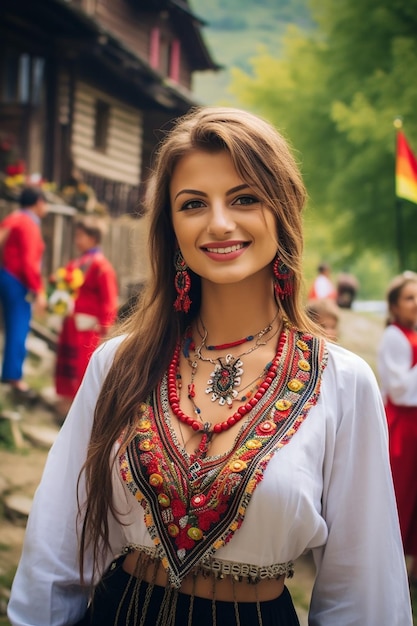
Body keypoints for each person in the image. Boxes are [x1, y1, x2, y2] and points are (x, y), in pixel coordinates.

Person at [7, 107, 412, 626]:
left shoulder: (342, 381)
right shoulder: (118, 364)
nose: (219, 222)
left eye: (244, 198)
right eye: (193, 203)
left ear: (283, 209)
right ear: (171, 227)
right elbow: (55, 548)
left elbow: (364, 590)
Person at [52, 214, 119, 417]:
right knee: (67, 365)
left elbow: (109, 299)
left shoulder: (101, 267)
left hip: (87, 328)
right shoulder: (77, 263)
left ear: (93, 238)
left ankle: (81, 412)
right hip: (71, 324)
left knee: (82, 366)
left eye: (80, 235)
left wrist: (106, 326)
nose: (77, 239)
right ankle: (65, 406)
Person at [377, 271, 417, 584]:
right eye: (409, 297)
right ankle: (389, 569)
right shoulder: (394, 337)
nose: (416, 303)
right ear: (394, 306)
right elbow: (401, 389)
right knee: (401, 495)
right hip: (404, 425)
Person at [0, 186, 48, 402]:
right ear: (38, 202)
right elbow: (29, 262)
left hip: (5, 275)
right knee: (19, 325)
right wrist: (38, 290)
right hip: (15, 279)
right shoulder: (29, 223)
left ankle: (10, 373)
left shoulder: (13, 218)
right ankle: (13, 377)